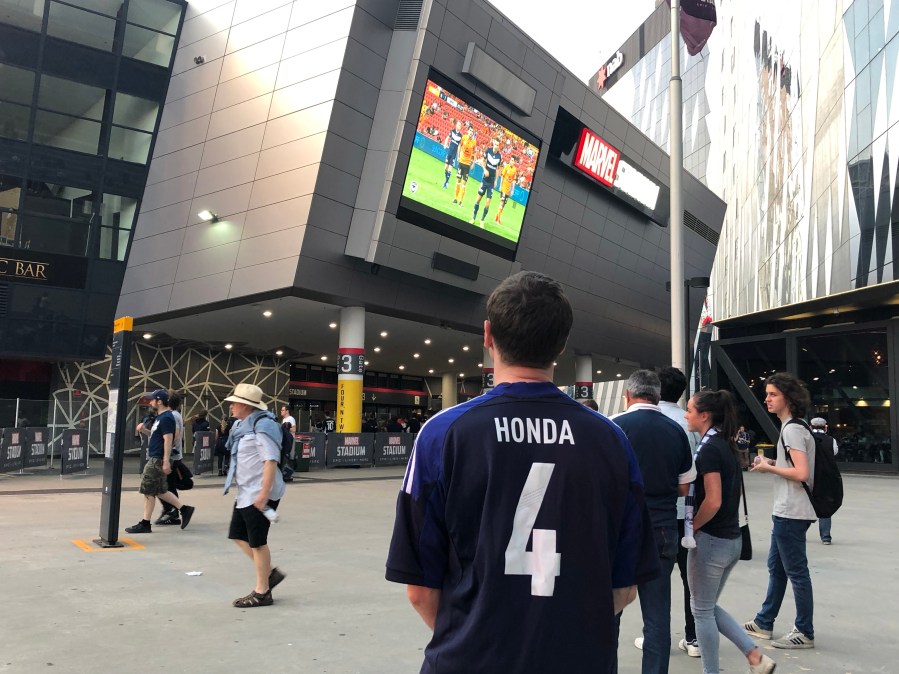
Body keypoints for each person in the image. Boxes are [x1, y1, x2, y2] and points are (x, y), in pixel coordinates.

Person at [386, 271, 659, 673]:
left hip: (471, 660)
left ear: (487, 335)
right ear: (562, 343)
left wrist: (473, 638)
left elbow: (419, 588)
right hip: (579, 659)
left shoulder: (443, 433)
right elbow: (624, 587)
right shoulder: (611, 440)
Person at [684, 390, 776, 674]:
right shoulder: (724, 444)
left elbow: (713, 500)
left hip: (712, 541)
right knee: (707, 606)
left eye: (690, 410)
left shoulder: (710, 449)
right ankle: (754, 655)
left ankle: (715, 669)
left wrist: (692, 526)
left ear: (704, 415)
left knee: (701, 611)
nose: (686, 415)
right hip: (730, 538)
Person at [612, 370, 695, 674]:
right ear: (658, 396)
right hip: (661, 529)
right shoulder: (676, 430)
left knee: (610, 612)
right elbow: (685, 486)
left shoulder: (613, 426)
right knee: (657, 615)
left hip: (619, 530)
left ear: (628, 395)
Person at [745, 372, 816, 649]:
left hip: (792, 510)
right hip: (788, 509)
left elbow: (801, 473)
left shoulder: (792, 430)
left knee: (796, 571)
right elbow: (797, 466)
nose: (767, 399)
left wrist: (769, 467)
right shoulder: (795, 427)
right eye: (767, 394)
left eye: (773, 394)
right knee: (777, 568)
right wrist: (774, 463)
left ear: (788, 397)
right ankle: (764, 621)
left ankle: (804, 631)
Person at [223, 383, 287, 608]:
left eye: (234, 402)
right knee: (237, 534)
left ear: (245, 405)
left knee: (257, 542)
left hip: (259, 492)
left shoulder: (264, 426)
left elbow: (270, 460)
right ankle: (269, 574)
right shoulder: (242, 425)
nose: (231, 406)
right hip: (246, 492)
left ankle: (262, 592)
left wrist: (264, 494)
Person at [656, 366, 701, 658]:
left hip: (655, 512)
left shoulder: (645, 419)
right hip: (686, 512)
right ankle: (693, 637)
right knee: (690, 579)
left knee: (656, 580)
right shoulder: (688, 423)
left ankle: (657, 637)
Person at [125, 389, 195, 534]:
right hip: (157, 457)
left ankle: (146, 523)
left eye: (153, 399)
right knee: (158, 490)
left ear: (160, 402)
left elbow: (169, 439)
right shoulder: (161, 417)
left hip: (157, 458)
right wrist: (145, 431)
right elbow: (158, 436)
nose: (150, 401)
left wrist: (166, 461)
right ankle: (183, 509)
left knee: (148, 489)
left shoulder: (167, 418)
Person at [156, 390, 186, 526]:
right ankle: (172, 511)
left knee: (165, 486)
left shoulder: (172, 415)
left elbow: (175, 434)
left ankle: (172, 510)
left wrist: (167, 451)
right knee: (168, 485)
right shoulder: (176, 414)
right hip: (174, 456)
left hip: (172, 457)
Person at [809, 417, 838, 544]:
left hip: (809, 475)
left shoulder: (807, 439)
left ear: (810, 427)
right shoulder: (831, 440)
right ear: (825, 427)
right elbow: (834, 452)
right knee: (825, 505)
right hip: (825, 476)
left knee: (805, 504)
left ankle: (799, 533)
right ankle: (826, 536)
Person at [470, 138, 502, 227]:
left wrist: (496, 180)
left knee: (487, 203)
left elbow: (498, 169)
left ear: (499, 146)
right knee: (478, 200)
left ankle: (482, 220)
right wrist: (484, 170)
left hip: (491, 182)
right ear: (493, 144)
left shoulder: (500, 156)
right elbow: (482, 161)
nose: (496, 146)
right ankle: (473, 218)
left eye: (497, 145)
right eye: (495, 144)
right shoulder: (488, 150)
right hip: (484, 180)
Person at [452, 127, 477, 205]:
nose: (471, 132)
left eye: (472, 131)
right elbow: (459, 146)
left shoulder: (474, 142)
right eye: (470, 130)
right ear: (468, 131)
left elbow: (475, 153)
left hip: (467, 164)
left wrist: (473, 163)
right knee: (458, 180)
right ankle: (455, 198)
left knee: (464, 183)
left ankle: (461, 201)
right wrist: (458, 156)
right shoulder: (464, 138)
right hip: (461, 162)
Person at [494, 157, 519, 225]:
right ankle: (498, 220)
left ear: (514, 162)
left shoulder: (514, 169)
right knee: (501, 202)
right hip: (503, 188)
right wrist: (500, 186)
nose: (511, 161)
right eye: (511, 160)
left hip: (508, 190)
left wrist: (512, 190)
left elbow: (513, 181)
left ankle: (497, 217)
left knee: (504, 205)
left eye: (512, 160)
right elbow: (502, 176)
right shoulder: (506, 167)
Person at [443, 120, 463, 188]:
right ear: (456, 125)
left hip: (454, 155)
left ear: (461, 127)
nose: (458, 126)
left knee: (450, 169)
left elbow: (460, 146)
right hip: (449, 152)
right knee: (445, 168)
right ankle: (447, 180)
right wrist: (445, 144)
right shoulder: (452, 131)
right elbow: (448, 138)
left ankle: (446, 183)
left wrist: (458, 156)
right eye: (458, 124)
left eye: (460, 125)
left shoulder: (461, 136)